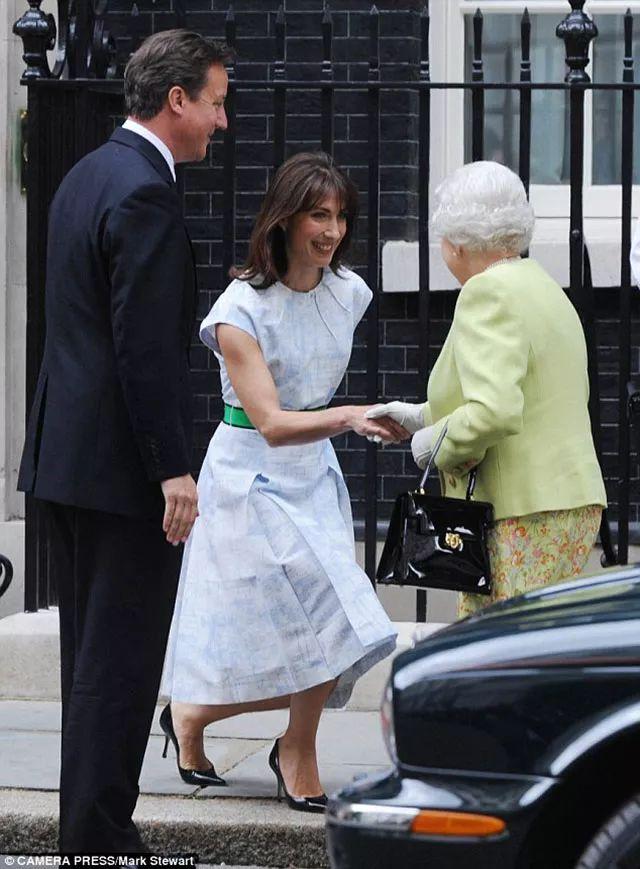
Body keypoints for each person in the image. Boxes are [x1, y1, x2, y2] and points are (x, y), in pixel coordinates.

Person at [17, 30, 232, 854]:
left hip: (68, 461)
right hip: (121, 472)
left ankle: (88, 832)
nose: (221, 119)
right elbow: (141, 348)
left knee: (90, 663)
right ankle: (102, 837)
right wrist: (173, 468)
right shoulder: (144, 192)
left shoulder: (85, 174)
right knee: (122, 661)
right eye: (214, 100)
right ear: (175, 99)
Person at [160, 151, 401, 812]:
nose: (333, 230)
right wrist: (351, 415)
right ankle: (193, 716)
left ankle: (290, 743)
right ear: (285, 220)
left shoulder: (348, 293)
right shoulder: (239, 309)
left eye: (341, 216)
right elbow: (266, 420)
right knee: (275, 627)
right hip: (249, 476)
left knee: (340, 618)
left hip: (313, 472)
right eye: (318, 215)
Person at [368, 161, 607, 618]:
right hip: (566, 502)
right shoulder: (542, 287)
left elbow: (495, 410)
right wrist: (419, 415)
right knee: (537, 646)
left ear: (457, 242)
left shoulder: (485, 293)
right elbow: (529, 397)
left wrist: (425, 444)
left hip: (522, 511)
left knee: (501, 657)